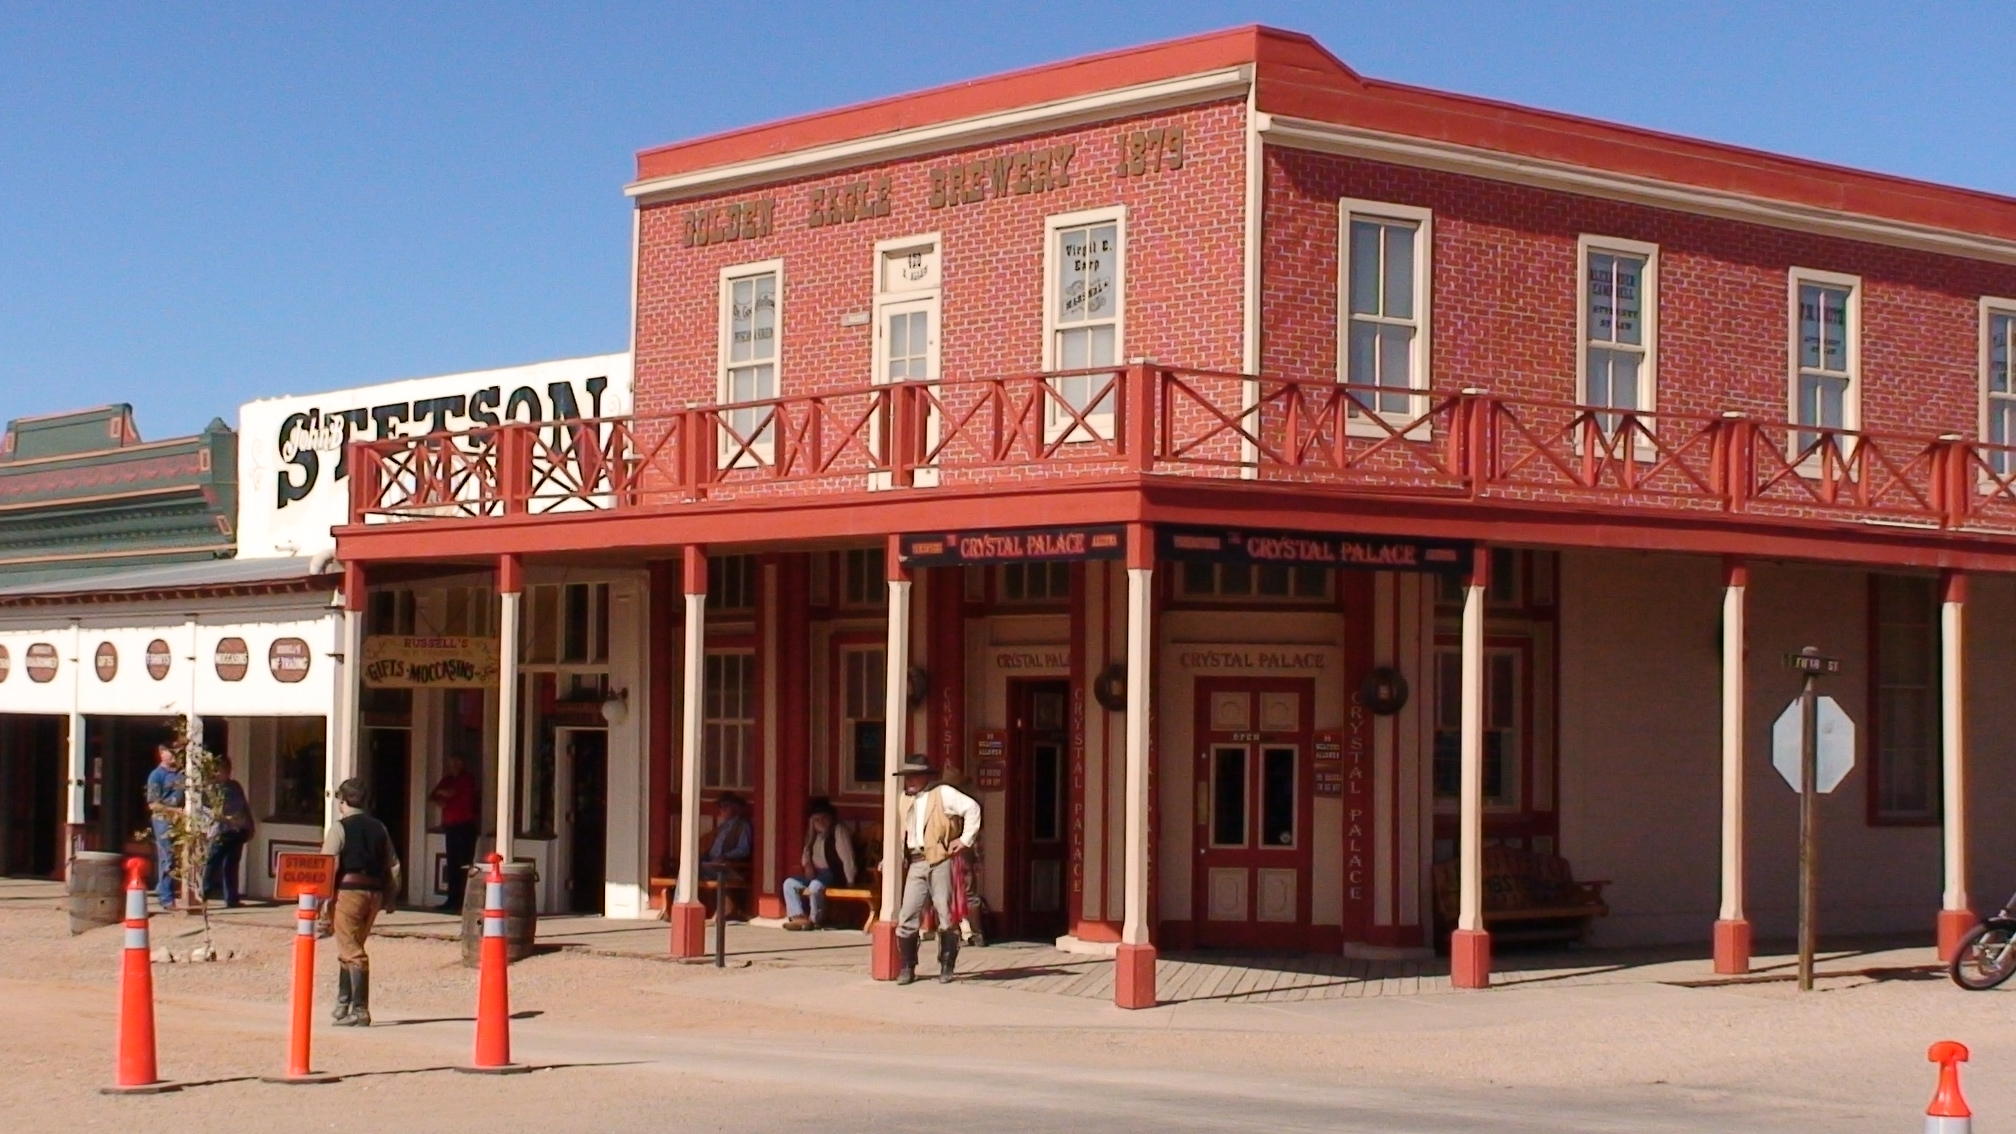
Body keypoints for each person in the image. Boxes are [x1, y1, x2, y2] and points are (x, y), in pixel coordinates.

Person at [891, 754, 981, 985]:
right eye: (907, 776)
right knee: (907, 914)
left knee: (945, 914)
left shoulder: (943, 793)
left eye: (914, 776)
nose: (909, 781)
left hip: (940, 858)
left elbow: (972, 808)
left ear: (925, 777)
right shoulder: (904, 799)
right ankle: (907, 967)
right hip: (916, 860)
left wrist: (964, 840)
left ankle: (946, 966)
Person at [319, 778, 402, 1027]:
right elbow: (394, 865)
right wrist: (391, 896)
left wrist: (323, 900)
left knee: (352, 950)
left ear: (342, 801)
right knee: (351, 944)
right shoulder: (379, 828)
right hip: (374, 891)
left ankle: (359, 1008)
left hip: (349, 889)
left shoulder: (339, 828)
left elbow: (329, 865)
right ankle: (343, 1003)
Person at [782, 799, 855, 930]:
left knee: (815, 887)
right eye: (816, 819)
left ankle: (815, 920)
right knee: (789, 884)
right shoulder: (813, 836)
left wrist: (850, 881)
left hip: (833, 873)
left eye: (824, 818)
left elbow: (847, 858)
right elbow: (806, 857)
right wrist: (807, 864)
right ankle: (798, 917)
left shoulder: (838, 831)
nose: (820, 822)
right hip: (816, 873)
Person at [937, 764, 988, 947]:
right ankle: (969, 932)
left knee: (962, 892)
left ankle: (970, 932)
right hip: (956, 852)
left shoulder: (960, 805)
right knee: (962, 892)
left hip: (958, 852)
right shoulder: (968, 803)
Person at [202, 756, 254, 907]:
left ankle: (232, 898)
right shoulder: (210, 788)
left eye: (228, 768)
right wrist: (225, 819)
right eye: (224, 769)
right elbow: (207, 810)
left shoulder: (235, 786)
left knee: (231, 864)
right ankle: (203, 893)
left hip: (238, 829)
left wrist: (250, 824)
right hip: (220, 830)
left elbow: (244, 805)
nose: (227, 772)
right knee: (212, 862)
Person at [429, 755, 479, 910]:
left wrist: (442, 793)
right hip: (450, 827)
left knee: (464, 865)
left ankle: (465, 901)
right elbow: (432, 796)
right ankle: (452, 900)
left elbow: (451, 792)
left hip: (465, 826)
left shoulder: (467, 778)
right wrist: (439, 799)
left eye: (458, 762)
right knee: (452, 865)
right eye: (452, 762)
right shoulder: (447, 779)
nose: (455, 765)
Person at [144, 745, 187, 910]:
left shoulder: (181, 774)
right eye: (170, 752)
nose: (174, 755)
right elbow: (153, 804)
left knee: (178, 858)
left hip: (180, 821)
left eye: (176, 752)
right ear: (162, 754)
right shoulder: (156, 775)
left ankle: (167, 890)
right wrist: (175, 810)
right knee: (167, 857)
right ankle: (166, 898)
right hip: (163, 820)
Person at [700, 793, 752, 922]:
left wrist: (724, 857)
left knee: (714, 871)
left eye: (726, 806)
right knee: (686, 871)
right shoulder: (722, 827)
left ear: (736, 808)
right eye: (721, 806)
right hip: (711, 863)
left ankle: (724, 911)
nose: (722, 809)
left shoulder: (743, 826)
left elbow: (743, 850)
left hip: (731, 867)